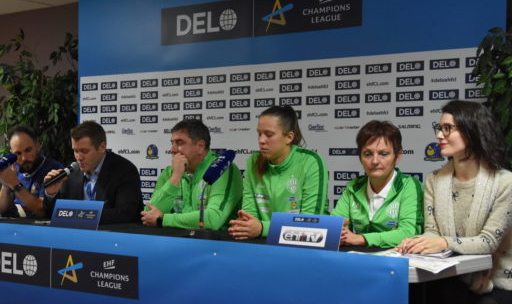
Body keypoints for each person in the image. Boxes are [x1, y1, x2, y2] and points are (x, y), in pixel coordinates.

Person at [396, 100, 512, 304]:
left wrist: (441, 242)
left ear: (471, 131)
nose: (440, 135)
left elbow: (487, 242)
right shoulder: (434, 180)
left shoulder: (505, 183)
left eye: (448, 128)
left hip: (500, 288)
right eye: (439, 129)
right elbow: (432, 232)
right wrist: (420, 244)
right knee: (421, 300)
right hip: (453, 282)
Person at [228, 106, 329, 239]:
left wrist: (263, 228)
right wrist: (249, 227)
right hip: (261, 242)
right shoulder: (253, 161)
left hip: (304, 246)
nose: (261, 140)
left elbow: (309, 222)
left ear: (289, 137)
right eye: (259, 133)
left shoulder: (311, 162)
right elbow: (249, 215)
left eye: (269, 135)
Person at [331, 120, 423, 248]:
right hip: (360, 259)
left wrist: (362, 238)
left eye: (383, 154)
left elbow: (408, 233)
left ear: (397, 156)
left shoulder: (409, 186)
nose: (375, 161)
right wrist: (337, 233)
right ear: (360, 157)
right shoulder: (353, 187)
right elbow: (334, 226)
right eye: (367, 154)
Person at [140, 119, 242, 230]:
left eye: (179, 143)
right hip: (176, 241)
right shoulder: (170, 172)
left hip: (216, 243)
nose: (172, 150)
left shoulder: (222, 169)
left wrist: (163, 219)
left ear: (200, 146)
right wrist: (175, 178)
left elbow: (213, 219)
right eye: (172, 143)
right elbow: (148, 214)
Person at [44, 121, 143, 224]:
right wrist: (51, 194)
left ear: (102, 147)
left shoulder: (124, 170)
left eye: (84, 151)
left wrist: (84, 215)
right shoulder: (72, 172)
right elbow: (52, 214)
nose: (79, 157)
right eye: (75, 151)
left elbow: (126, 214)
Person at [0, 126, 63, 217]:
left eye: (28, 150)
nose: (24, 158)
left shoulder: (53, 169)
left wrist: (14, 184)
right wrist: (5, 185)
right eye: (18, 153)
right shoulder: (13, 168)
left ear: (37, 146)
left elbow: (42, 211)